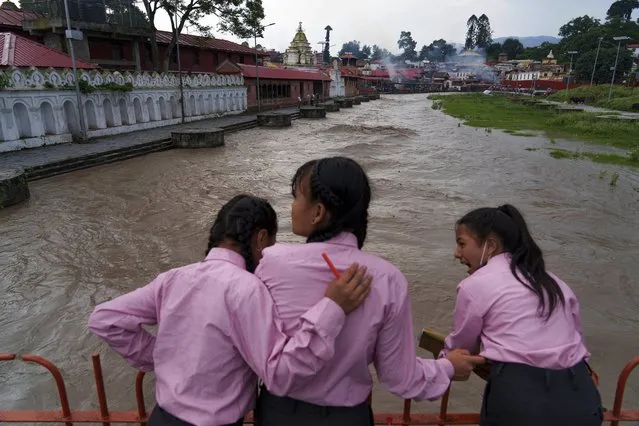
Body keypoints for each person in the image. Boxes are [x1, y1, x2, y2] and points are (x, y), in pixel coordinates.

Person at [88, 194, 373, 426]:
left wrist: (158, 356)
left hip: (162, 418)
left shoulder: (173, 278)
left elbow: (106, 319)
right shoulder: (249, 289)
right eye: (270, 246)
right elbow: (278, 373)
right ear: (261, 239)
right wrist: (332, 307)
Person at [254, 157, 485, 426]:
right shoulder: (387, 279)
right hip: (348, 417)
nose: (292, 207)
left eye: (296, 198)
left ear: (317, 212)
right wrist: (447, 366)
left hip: (278, 413)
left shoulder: (272, 263)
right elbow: (400, 377)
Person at [441, 204, 603, 426]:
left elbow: (461, 348)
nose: (457, 253)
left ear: (491, 245)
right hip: (581, 398)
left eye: (462, 244)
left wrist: (442, 364)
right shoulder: (553, 282)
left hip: (519, 402)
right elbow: (578, 341)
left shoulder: (475, 285)